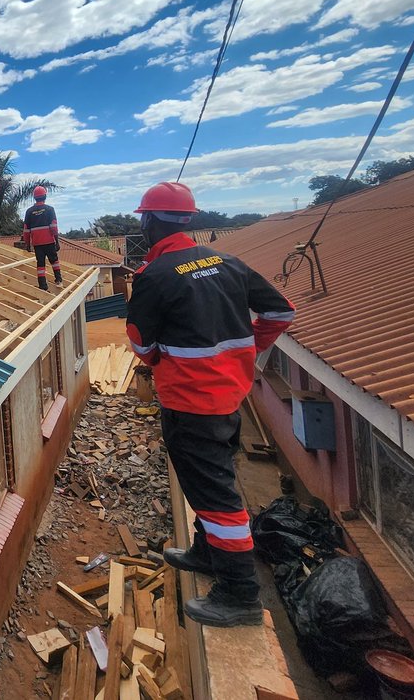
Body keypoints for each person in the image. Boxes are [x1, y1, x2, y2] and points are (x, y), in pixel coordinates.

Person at [125, 181, 295, 627]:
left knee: (218, 497)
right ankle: (205, 551)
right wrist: (248, 349)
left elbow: (140, 343)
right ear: (189, 220)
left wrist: (160, 359)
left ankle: (239, 594)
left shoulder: (154, 276)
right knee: (208, 482)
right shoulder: (228, 262)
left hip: (190, 402)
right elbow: (281, 311)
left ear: (149, 221)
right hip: (228, 396)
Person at [22, 185, 61, 290]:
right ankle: (58, 280)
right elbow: (53, 226)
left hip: (37, 243)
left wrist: (28, 244)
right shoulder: (50, 209)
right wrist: (57, 241)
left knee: (40, 264)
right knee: (54, 261)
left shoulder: (29, 212)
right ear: (45, 197)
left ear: (35, 197)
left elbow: (26, 230)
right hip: (49, 240)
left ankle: (43, 285)